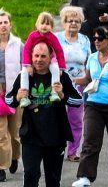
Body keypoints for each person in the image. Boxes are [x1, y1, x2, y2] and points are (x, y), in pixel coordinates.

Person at [5, 42, 81, 187]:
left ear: (51, 57)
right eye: (36, 56)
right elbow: (9, 100)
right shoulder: (24, 76)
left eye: (43, 56)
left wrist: (62, 94)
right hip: (31, 136)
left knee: (53, 180)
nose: (39, 60)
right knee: (30, 176)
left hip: (55, 137)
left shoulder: (61, 76)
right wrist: (17, 98)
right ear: (31, 56)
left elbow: (78, 101)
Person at [71, 25, 108, 187]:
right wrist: (72, 80)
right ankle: (85, 176)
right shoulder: (92, 57)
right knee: (90, 140)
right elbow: (88, 79)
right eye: (94, 38)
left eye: (100, 39)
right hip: (94, 104)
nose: (96, 41)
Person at [56, 8, 89, 163]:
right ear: (64, 23)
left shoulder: (85, 40)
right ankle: (57, 148)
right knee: (56, 116)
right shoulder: (56, 38)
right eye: (70, 21)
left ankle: (73, 151)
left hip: (78, 83)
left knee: (76, 119)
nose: (74, 24)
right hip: (59, 84)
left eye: (77, 21)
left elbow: (89, 61)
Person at [18, 14, 66, 107]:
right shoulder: (33, 35)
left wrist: (61, 67)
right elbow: (27, 49)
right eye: (42, 23)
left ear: (51, 27)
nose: (44, 26)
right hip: (33, 61)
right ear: (37, 25)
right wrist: (28, 65)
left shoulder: (52, 37)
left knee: (55, 69)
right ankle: (24, 96)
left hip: (49, 60)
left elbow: (59, 51)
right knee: (23, 72)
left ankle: (54, 92)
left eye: (48, 24)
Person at [0, 10, 23, 181]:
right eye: (0, 23)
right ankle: (1, 166)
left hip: (14, 93)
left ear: (10, 25)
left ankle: (15, 157)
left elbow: (26, 68)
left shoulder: (18, 44)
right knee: (1, 133)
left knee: (15, 132)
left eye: (5, 22)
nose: (3, 26)